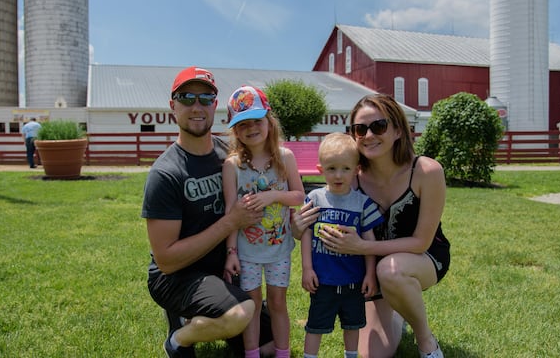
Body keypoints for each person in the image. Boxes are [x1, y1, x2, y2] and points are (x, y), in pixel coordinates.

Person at [293, 94, 450, 358]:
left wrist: (363, 246)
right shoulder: (351, 178)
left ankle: (426, 341)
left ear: (398, 130)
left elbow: (421, 241)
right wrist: (300, 228)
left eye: (379, 126)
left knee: (391, 271)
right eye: (360, 129)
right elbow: (316, 226)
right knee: (371, 355)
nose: (368, 135)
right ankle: (395, 305)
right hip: (370, 271)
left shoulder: (426, 171)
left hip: (422, 258)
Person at [141, 66, 267, 358]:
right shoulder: (166, 173)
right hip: (176, 277)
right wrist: (229, 222)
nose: (196, 106)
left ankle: (200, 316)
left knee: (268, 346)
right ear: (173, 106)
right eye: (186, 97)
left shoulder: (231, 157)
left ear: (215, 105)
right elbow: (167, 260)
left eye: (205, 98)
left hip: (223, 269)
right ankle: (179, 337)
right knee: (239, 314)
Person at [222, 85, 304, 358]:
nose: (251, 128)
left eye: (256, 121)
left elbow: (298, 196)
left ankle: (283, 353)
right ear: (235, 130)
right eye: (242, 124)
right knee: (253, 304)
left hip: (279, 250)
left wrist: (272, 196)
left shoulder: (285, 157)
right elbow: (231, 212)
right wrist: (231, 252)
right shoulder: (232, 165)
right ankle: (252, 354)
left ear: (269, 121)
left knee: (278, 302)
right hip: (247, 253)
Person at [300, 132, 383, 358]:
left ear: (356, 169)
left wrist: (370, 274)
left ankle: (351, 355)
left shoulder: (361, 203)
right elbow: (306, 233)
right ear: (320, 169)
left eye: (346, 168)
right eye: (331, 168)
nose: (338, 175)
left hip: (353, 280)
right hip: (323, 279)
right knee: (315, 324)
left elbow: (369, 241)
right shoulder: (314, 199)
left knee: (353, 324)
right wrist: (307, 268)